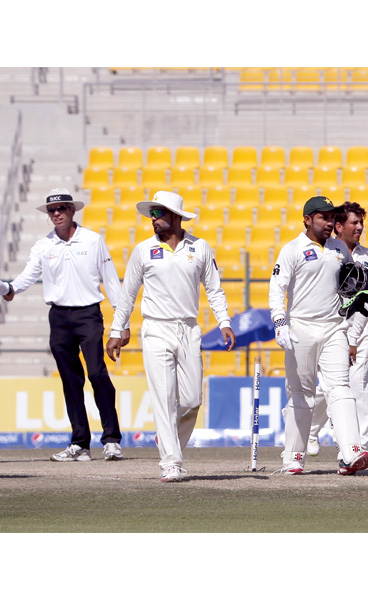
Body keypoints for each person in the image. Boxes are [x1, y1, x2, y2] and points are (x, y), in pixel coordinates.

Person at [105, 191, 235, 482]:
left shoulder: (200, 247)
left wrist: (224, 322)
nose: (153, 219)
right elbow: (127, 295)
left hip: (188, 329)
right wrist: (116, 330)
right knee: (164, 397)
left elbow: (214, 289)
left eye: (159, 213)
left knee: (191, 400)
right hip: (155, 329)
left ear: (176, 216)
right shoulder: (142, 250)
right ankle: (171, 461)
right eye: (151, 214)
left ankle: (167, 439)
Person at [3, 188, 126, 462]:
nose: (56, 214)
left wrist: (122, 323)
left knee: (97, 374)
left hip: (88, 314)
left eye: (61, 208)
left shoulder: (93, 240)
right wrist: (8, 287)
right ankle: (80, 443)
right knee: (71, 381)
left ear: (73, 210)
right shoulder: (43, 245)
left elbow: (111, 281)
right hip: (59, 317)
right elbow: (26, 277)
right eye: (51, 210)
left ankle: (112, 439)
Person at [268, 195, 368, 476]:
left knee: (339, 387)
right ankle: (293, 456)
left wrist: (365, 292)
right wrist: (280, 323)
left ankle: (350, 450)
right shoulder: (292, 249)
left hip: (334, 328)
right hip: (301, 328)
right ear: (307, 219)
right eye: (324, 217)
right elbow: (278, 288)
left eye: (332, 218)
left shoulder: (339, 247)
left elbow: (352, 283)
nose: (330, 223)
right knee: (302, 393)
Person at [307, 201, 368, 454]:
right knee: (331, 388)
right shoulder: (329, 251)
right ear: (338, 226)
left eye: (361, 223)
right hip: (332, 327)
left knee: (359, 389)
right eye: (354, 223)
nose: (359, 227)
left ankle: (355, 446)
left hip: (361, 328)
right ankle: (310, 429)